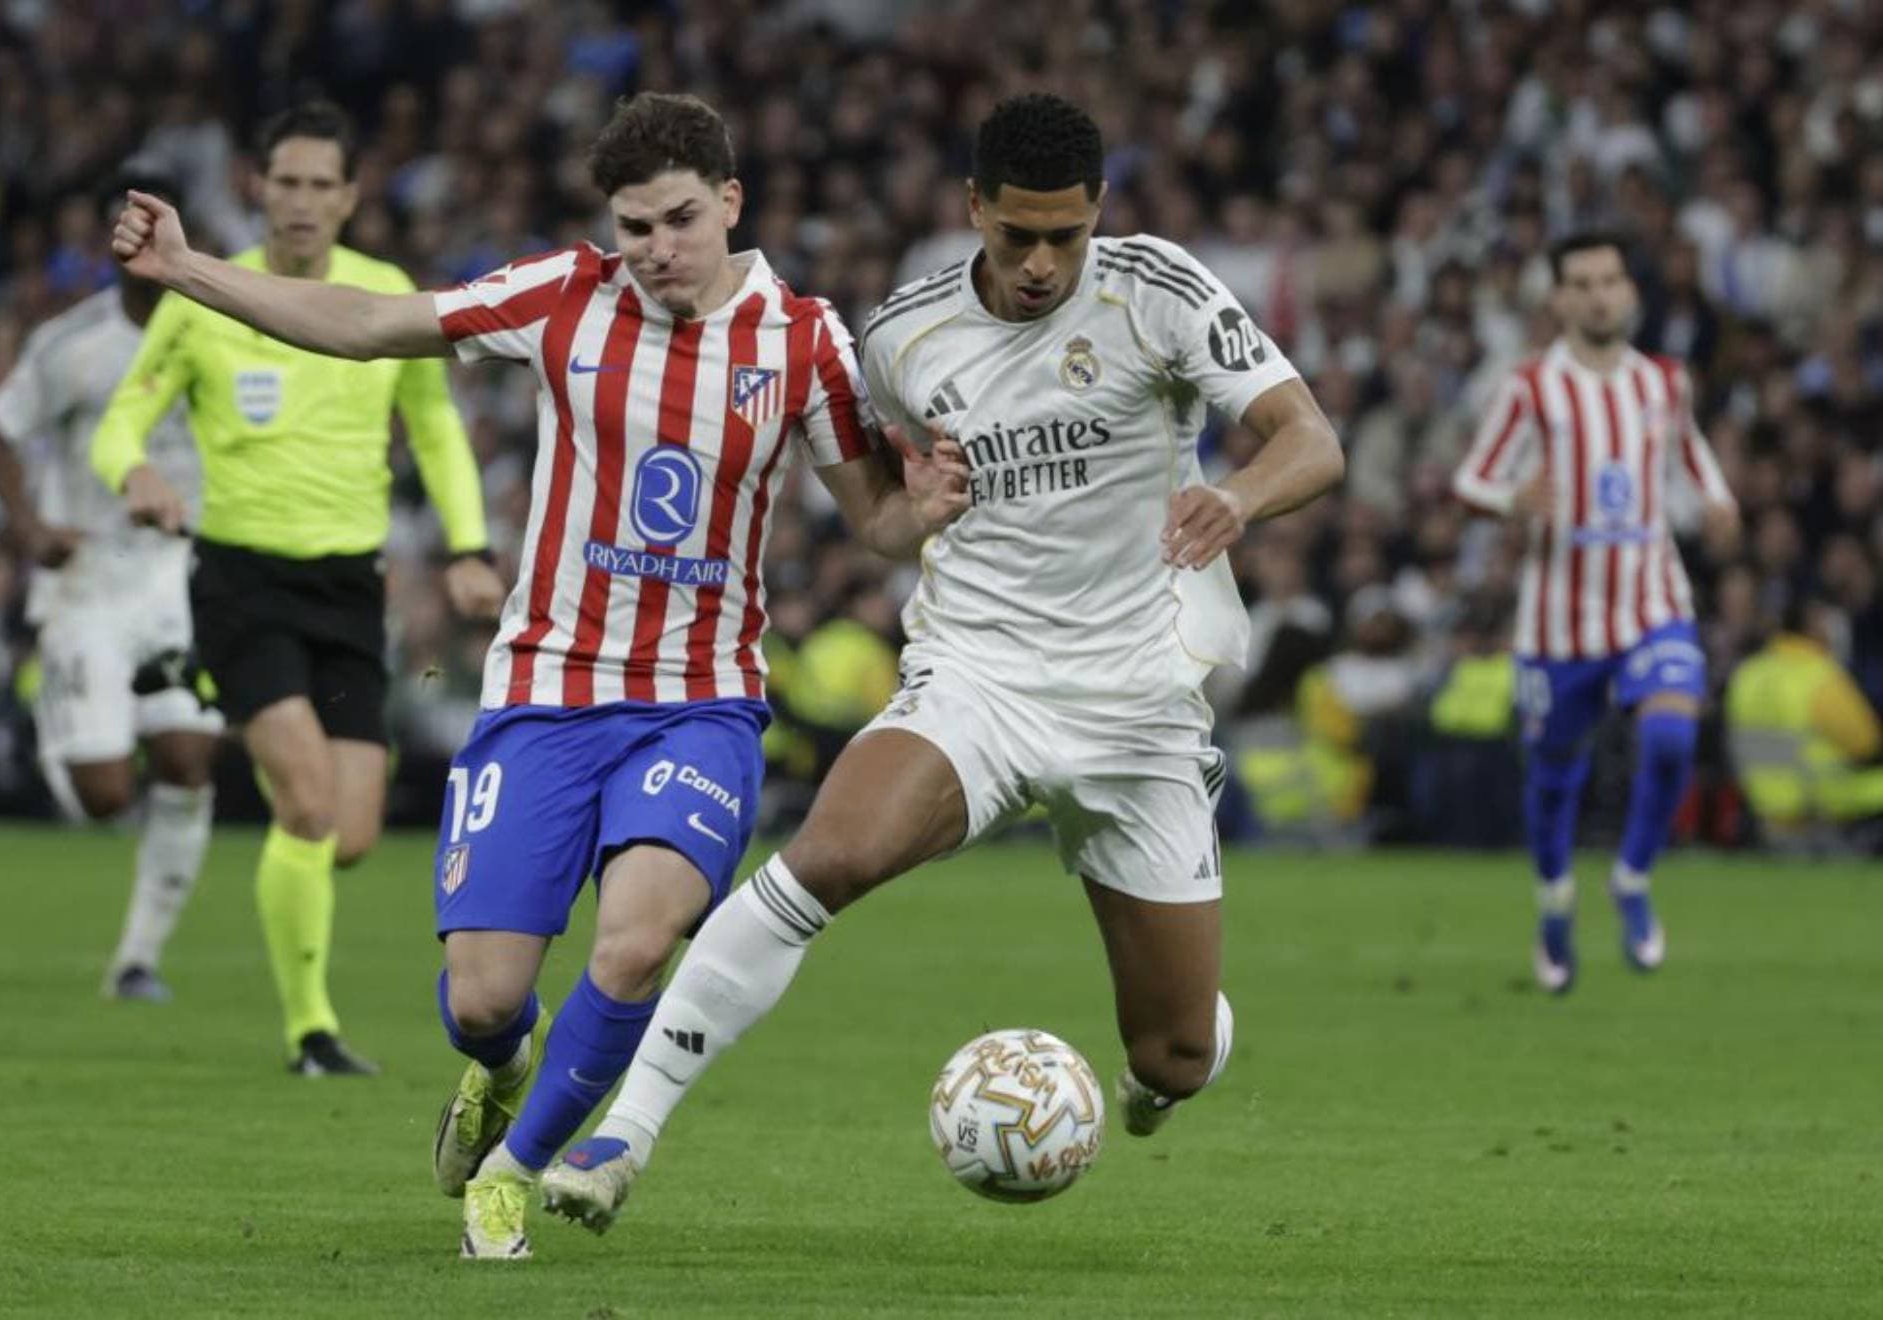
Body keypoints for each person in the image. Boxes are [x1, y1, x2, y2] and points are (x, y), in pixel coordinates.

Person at [107, 90, 970, 1258]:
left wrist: (917, 517)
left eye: (676, 220)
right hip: (546, 693)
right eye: (633, 227)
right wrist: (190, 268)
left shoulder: (806, 340)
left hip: (699, 702)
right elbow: (365, 322)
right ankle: (505, 1069)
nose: (656, 250)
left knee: (634, 942)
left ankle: (510, 1175)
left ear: (730, 202)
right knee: (483, 1000)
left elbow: (872, 519)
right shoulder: (566, 296)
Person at [543, 92, 1344, 1231]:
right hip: (981, 677)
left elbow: (1312, 437)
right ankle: (627, 1134)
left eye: (1064, 235)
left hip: (1137, 705)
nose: (1038, 262)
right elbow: (881, 505)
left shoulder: (1157, 288)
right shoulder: (901, 339)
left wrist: (1237, 495)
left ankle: (1172, 1062)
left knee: (1170, 1054)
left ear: (1098, 213)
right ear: (972, 208)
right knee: (828, 855)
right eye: (1015, 233)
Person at [91, 102, 504, 1074]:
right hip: (239, 578)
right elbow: (120, 422)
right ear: (258, 187)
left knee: (351, 832)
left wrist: (469, 543)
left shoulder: (383, 292)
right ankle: (309, 1031)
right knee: (308, 804)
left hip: (349, 588)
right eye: (287, 182)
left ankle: (216, 711)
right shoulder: (206, 296)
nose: (304, 202)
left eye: (324, 185)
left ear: (353, 196)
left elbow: (437, 428)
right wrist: (136, 474)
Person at [1452, 231, 1738, 994]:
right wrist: (1511, 500)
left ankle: (1633, 878)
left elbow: (1689, 455)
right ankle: (1554, 903)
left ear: (1630, 291)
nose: (1599, 294)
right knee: (1552, 782)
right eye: (1581, 283)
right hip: (1558, 620)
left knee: (1673, 731)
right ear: (1558, 298)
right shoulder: (1531, 388)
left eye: (1610, 279)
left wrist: (1718, 500)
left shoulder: (1663, 384)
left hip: (1651, 600)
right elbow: (1471, 480)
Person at [0, 168, 223, 1002]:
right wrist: (30, 529)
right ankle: (68, 715)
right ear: (114, 256)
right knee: (105, 792)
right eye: (129, 242)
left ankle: (137, 959)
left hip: (182, 577)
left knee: (189, 759)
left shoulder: (223, 334)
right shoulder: (71, 345)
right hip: (89, 580)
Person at [1725, 595, 1883, 848]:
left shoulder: (1747, 674)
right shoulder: (1820, 676)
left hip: (1762, 811)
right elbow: (1866, 743)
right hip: (1822, 806)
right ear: (1810, 627)